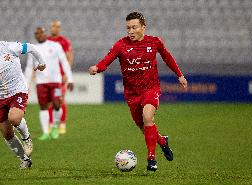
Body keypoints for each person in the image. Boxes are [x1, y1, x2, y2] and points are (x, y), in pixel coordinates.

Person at [89, 12, 188, 171]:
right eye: (128, 28)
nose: (130, 31)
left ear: (143, 27)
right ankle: (162, 141)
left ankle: (151, 159)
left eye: (134, 27)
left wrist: (179, 75)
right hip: (132, 94)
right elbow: (107, 60)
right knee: (144, 127)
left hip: (150, 89)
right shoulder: (121, 45)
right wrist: (97, 68)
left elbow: (167, 57)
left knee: (148, 117)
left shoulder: (154, 42)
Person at [0, 41, 46, 168]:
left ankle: (27, 138)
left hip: (17, 91)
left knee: (14, 118)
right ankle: (25, 159)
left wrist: (41, 62)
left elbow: (31, 47)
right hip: (1, 98)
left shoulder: (9, 47)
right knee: (7, 133)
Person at [25, 27, 74, 140]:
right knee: (43, 107)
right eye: (37, 33)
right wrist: (26, 86)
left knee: (57, 104)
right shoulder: (33, 49)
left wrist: (70, 78)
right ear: (35, 36)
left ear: (45, 33)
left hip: (56, 82)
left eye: (42, 32)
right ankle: (46, 132)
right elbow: (29, 68)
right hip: (41, 82)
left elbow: (64, 62)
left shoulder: (55, 45)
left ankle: (55, 126)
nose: (40, 35)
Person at [47, 20, 74, 134]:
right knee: (49, 101)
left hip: (60, 77)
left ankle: (62, 124)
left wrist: (66, 74)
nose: (56, 28)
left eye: (58, 26)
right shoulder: (46, 41)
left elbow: (69, 58)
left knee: (59, 100)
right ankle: (51, 124)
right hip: (48, 77)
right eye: (54, 26)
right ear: (50, 27)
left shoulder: (64, 41)